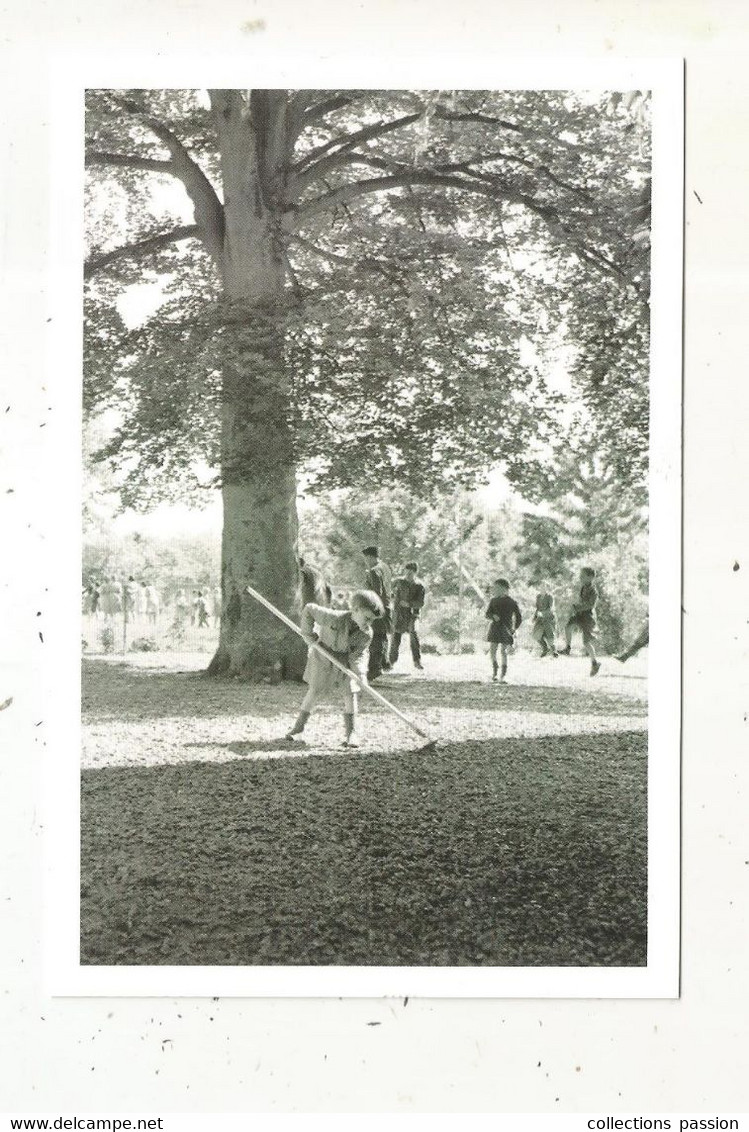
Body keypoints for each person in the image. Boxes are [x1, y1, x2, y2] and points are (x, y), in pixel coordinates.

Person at [285, 590, 384, 748]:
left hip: (345, 661)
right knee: (315, 690)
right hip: (323, 655)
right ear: (355, 609)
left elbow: (359, 655)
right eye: (367, 618)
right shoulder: (333, 617)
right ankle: (298, 729)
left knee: (350, 693)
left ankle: (352, 733)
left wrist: (361, 674)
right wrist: (309, 636)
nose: (369, 624)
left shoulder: (366, 634)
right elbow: (309, 609)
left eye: (372, 620)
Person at [559, 566, 601, 676]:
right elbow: (581, 600)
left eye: (582, 576)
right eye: (580, 576)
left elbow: (591, 605)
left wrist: (577, 607)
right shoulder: (583, 587)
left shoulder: (594, 591)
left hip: (588, 617)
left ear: (590, 577)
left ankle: (594, 663)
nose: (580, 578)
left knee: (586, 642)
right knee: (568, 627)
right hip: (579, 614)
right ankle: (567, 647)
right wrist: (575, 608)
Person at [362, 545, 393, 681]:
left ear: (370, 557)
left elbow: (376, 593)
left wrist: (372, 610)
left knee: (376, 638)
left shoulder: (374, 571)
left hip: (378, 607)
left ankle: (375, 669)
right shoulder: (385, 567)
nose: (366, 562)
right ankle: (384, 663)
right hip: (387, 606)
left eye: (366, 558)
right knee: (383, 636)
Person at [389, 561, 426, 670]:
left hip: (412, 615)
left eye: (410, 573)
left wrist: (409, 604)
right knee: (396, 638)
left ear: (415, 573)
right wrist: (391, 598)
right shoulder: (398, 582)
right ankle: (391, 662)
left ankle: (417, 661)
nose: (408, 574)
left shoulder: (419, 586)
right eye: (406, 572)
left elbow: (421, 603)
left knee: (413, 634)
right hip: (399, 614)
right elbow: (388, 591)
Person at [485, 578, 522, 683]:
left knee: (503, 651)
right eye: (494, 588)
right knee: (492, 650)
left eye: (497, 588)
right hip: (495, 628)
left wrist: (515, 629)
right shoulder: (493, 601)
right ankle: (495, 672)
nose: (494, 590)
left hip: (506, 628)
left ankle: (503, 675)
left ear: (504, 589)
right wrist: (493, 616)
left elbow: (519, 617)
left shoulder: (511, 602)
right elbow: (487, 614)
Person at [532, 587, 558, 658]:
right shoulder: (538, 597)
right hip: (540, 619)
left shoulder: (550, 597)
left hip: (548, 618)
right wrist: (534, 617)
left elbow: (551, 608)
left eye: (544, 587)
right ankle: (545, 648)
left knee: (549, 634)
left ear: (547, 589)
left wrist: (543, 613)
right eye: (541, 587)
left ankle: (554, 651)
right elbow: (537, 608)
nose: (542, 589)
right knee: (536, 634)